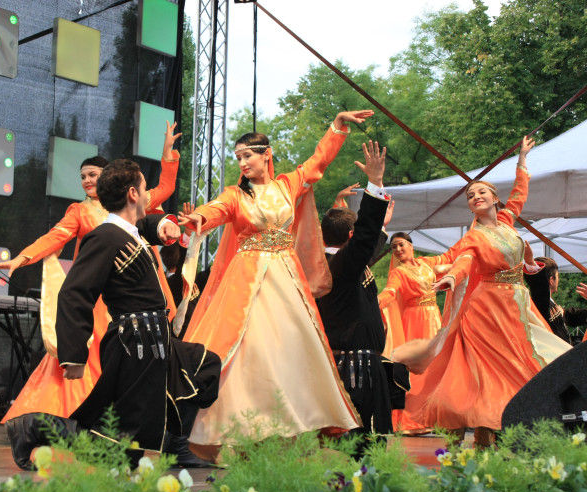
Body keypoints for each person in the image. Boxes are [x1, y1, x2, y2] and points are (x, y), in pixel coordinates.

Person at [178, 110, 373, 457]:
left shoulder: (287, 185)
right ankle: (241, 429)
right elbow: (216, 209)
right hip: (246, 279)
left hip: (285, 276)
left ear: (266, 154)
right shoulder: (236, 195)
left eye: (247, 156)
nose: (242, 163)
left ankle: (292, 429)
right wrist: (198, 217)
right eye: (238, 158)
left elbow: (317, 163)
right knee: (249, 350)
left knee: (291, 347)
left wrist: (337, 126)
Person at [5, 159, 219, 469]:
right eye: (144, 189)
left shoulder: (128, 232)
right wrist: (73, 355)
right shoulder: (104, 237)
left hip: (155, 340)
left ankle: (175, 446)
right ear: (133, 194)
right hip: (134, 343)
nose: (148, 196)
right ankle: (34, 426)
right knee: (122, 443)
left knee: (205, 366)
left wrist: (164, 224)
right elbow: (74, 293)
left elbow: (146, 226)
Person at [0, 121, 182, 424]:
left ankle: (135, 416)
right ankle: (85, 417)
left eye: (92, 175)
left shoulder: (134, 200)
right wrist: (22, 258)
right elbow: (55, 237)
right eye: (82, 176)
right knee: (97, 353)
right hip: (102, 298)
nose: (86, 181)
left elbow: (166, 189)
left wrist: (168, 157)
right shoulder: (79, 212)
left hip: (136, 293)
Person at [392, 136, 571, 446]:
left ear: (494, 198)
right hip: (488, 309)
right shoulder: (474, 237)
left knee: (534, 359)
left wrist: (522, 159)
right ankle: (481, 432)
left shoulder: (506, 221)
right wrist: (452, 277)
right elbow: (463, 259)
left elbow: (520, 192)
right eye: (470, 195)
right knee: (489, 371)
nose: (475, 197)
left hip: (516, 304)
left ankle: (494, 432)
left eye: (481, 192)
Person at [316, 141, 393, 436]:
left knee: (360, 442)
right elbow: (363, 242)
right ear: (351, 236)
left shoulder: (329, 264)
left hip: (357, 362)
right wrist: (375, 184)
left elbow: (366, 249)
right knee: (363, 445)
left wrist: (380, 228)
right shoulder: (341, 266)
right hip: (355, 368)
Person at [378, 232, 442, 433]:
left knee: (436, 368)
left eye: (401, 245)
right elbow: (391, 291)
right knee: (416, 369)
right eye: (394, 247)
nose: (398, 250)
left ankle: (433, 417)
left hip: (434, 318)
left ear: (411, 245)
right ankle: (411, 421)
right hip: (415, 321)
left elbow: (448, 260)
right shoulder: (398, 273)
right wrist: (375, 304)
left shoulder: (425, 263)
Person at [524, 256, 587, 345]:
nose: (559, 279)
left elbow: (571, 317)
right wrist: (530, 262)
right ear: (551, 280)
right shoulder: (541, 304)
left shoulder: (551, 304)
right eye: (557, 276)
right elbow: (538, 286)